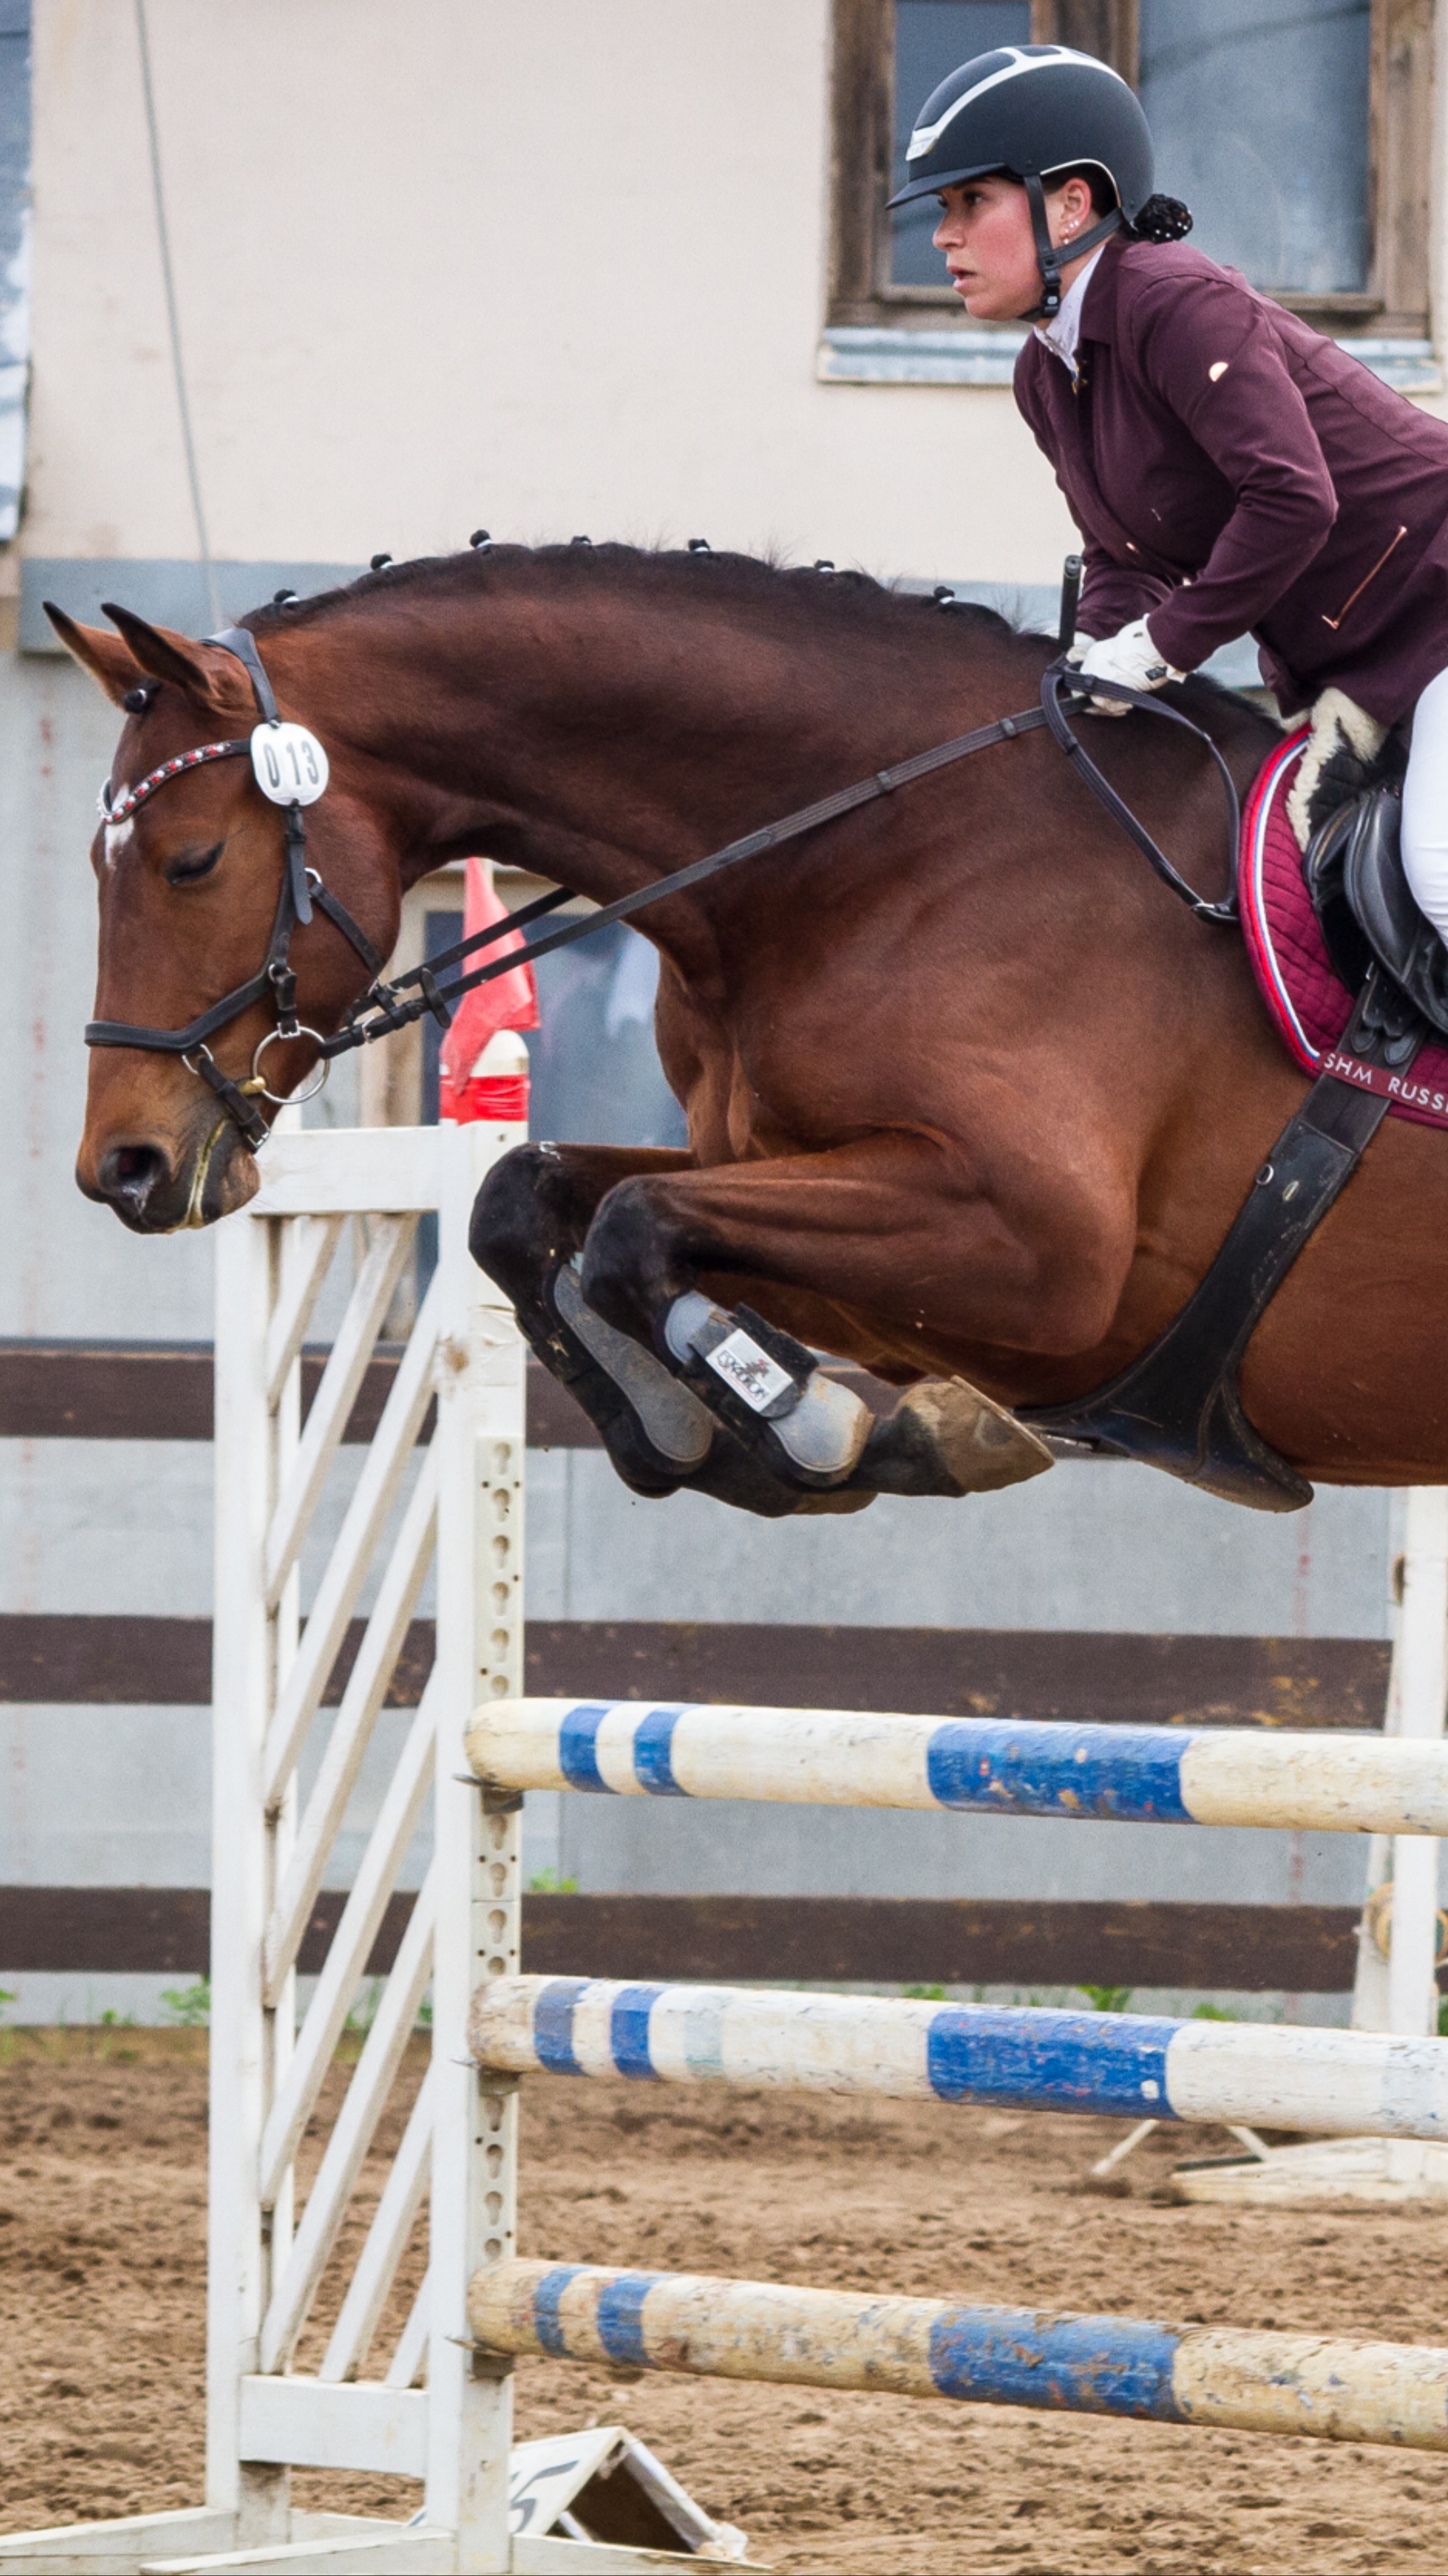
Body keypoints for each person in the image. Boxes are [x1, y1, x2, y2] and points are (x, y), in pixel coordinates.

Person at [889, 42, 1448, 961]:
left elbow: (1292, 499)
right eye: (946, 212)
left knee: (1432, 862)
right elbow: (1124, 558)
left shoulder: (1176, 304)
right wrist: (1089, 663)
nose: (942, 237)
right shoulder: (1047, 373)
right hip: (1363, 661)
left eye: (970, 203)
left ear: (1071, 204)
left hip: (1436, 605)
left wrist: (1158, 650)